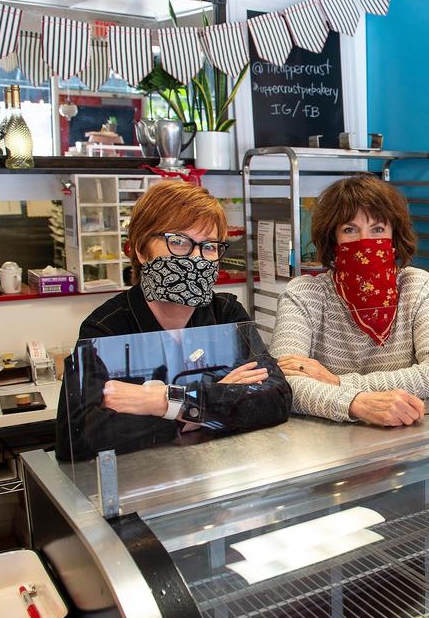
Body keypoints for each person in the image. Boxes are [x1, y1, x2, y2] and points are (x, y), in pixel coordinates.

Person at [56, 180, 290, 460]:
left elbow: (275, 398)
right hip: (145, 485)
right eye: (178, 242)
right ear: (141, 251)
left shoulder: (225, 314)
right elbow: (79, 436)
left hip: (218, 473)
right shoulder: (107, 328)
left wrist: (160, 401)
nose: (196, 258)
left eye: (209, 247)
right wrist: (212, 401)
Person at [270, 175, 429, 426]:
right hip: (325, 441)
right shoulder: (304, 294)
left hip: (403, 431)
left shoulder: (417, 286)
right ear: (332, 239)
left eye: (378, 229)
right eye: (350, 230)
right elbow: (282, 383)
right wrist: (356, 403)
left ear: (394, 238)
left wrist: (338, 382)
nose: (364, 241)